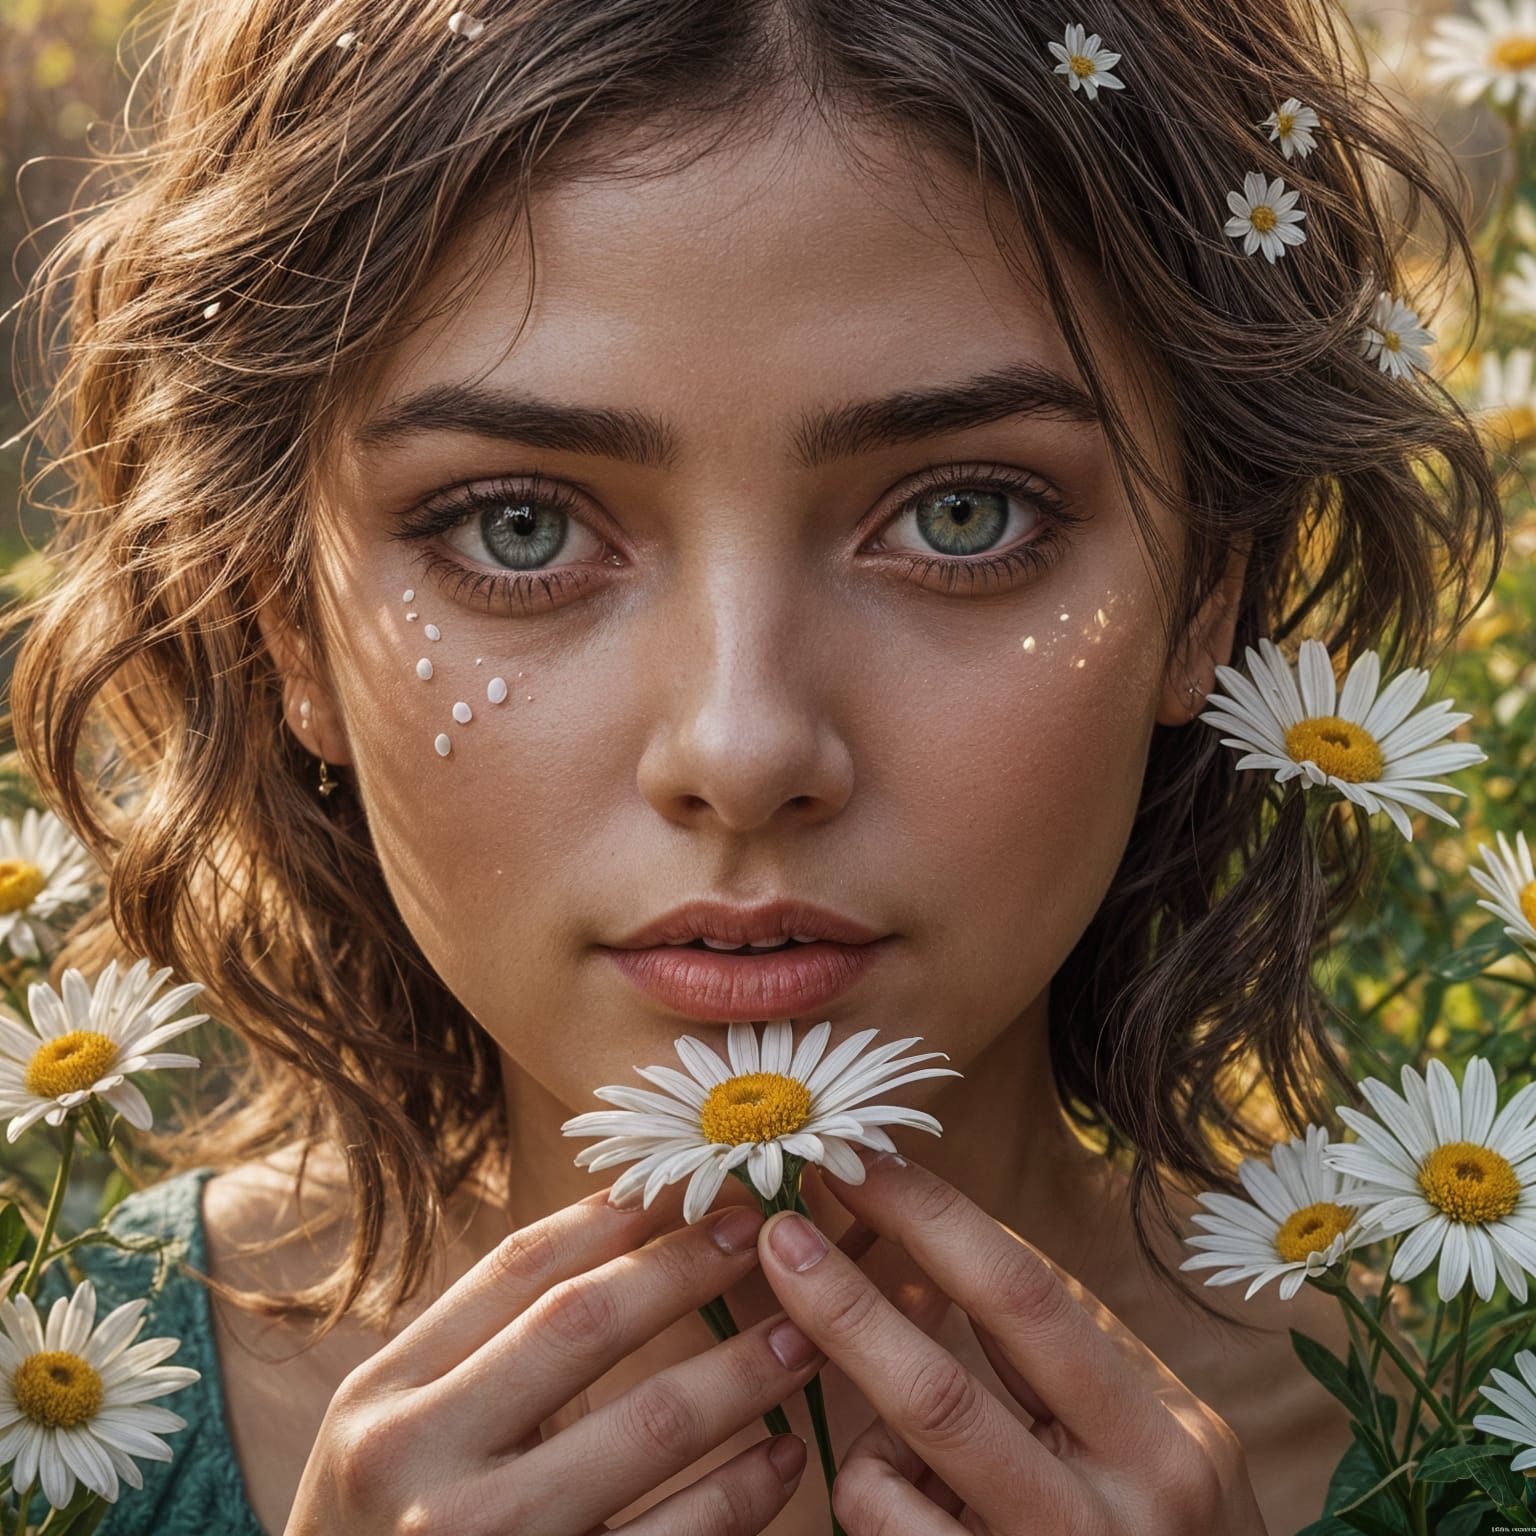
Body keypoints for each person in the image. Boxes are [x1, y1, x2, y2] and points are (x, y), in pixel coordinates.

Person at [4, 0, 1504, 1531]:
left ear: (1210, 593)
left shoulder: (1475, 1421)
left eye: (961, 516)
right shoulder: (41, 1387)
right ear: (289, 630)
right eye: (517, 526)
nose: (743, 747)